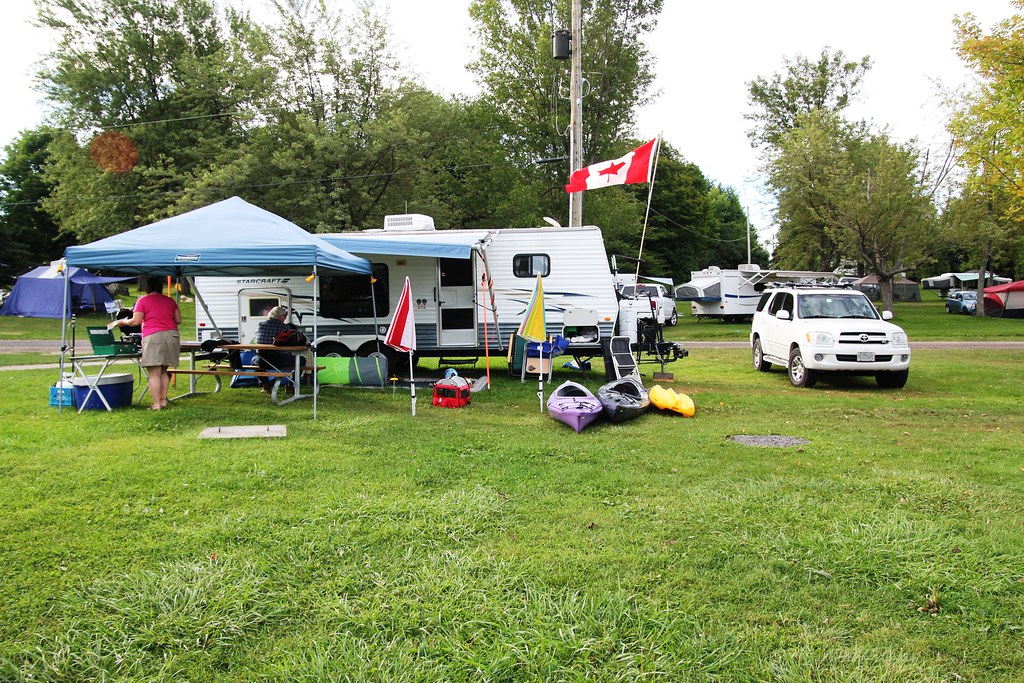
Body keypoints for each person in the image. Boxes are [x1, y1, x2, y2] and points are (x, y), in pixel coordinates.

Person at [111, 276, 181, 410]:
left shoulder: (143, 301)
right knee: (164, 371)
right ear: (160, 287)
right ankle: (163, 401)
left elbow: (136, 321)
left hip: (154, 336)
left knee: (154, 373)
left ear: (146, 287)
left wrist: (121, 322)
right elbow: (178, 319)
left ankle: (156, 404)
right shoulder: (170, 301)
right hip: (172, 335)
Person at [255, 305, 304, 393]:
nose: (285, 318)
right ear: (281, 317)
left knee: (254, 360)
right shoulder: (284, 328)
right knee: (301, 360)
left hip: (262, 361)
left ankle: (266, 385)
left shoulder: (260, 325)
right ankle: (291, 386)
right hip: (279, 361)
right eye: (285, 316)